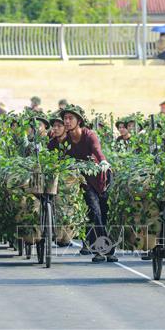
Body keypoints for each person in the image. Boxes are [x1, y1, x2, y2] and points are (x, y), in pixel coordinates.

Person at [60, 105, 115, 263]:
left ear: (79, 121)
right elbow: (60, 157)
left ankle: (108, 249)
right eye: (65, 118)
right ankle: (101, 251)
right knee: (95, 213)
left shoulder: (89, 135)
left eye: (70, 118)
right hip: (85, 182)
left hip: (102, 179)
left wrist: (103, 161)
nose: (67, 121)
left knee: (105, 214)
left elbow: (97, 150)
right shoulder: (66, 141)